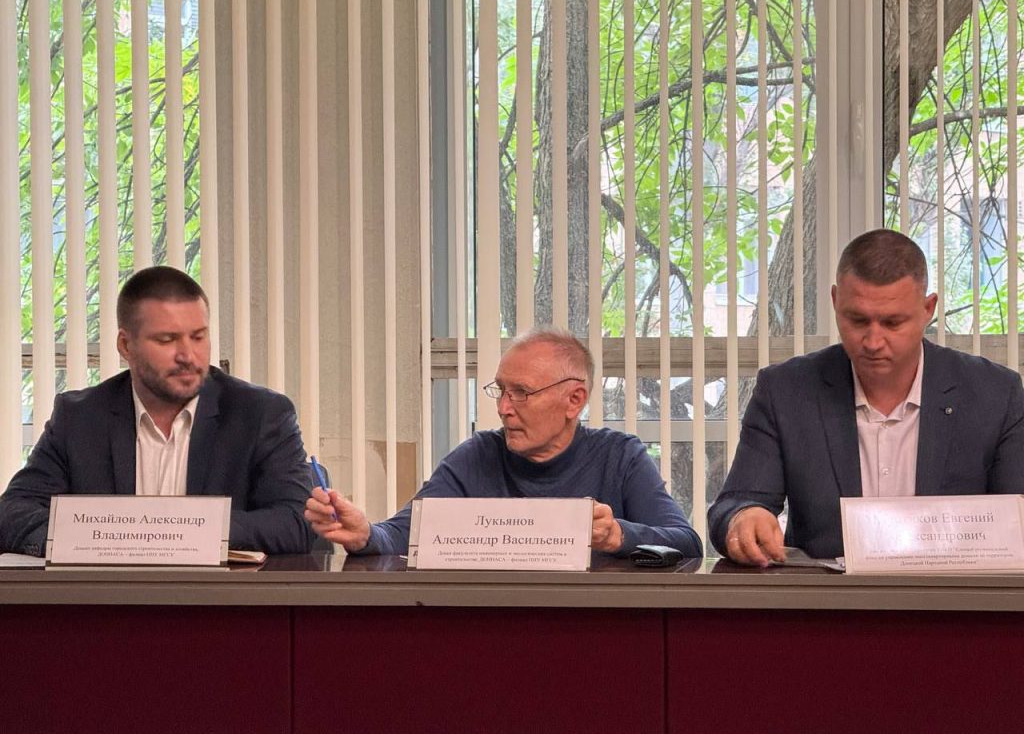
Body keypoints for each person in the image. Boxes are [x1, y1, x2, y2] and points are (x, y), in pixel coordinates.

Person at [709, 229, 1024, 565]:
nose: (873, 342)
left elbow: (1017, 521)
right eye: (857, 320)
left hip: (953, 595)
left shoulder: (994, 394)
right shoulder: (786, 391)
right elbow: (733, 504)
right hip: (827, 595)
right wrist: (745, 517)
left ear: (928, 308)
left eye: (892, 323)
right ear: (835, 301)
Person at [306, 327, 703, 558]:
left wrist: (619, 536)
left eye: (522, 393)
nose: (504, 408)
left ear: (574, 400)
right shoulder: (478, 455)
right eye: (501, 390)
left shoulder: (620, 456)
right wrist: (364, 534)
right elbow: (405, 534)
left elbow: (687, 543)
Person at [0, 266, 314, 556]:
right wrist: (97, 535)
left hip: (221, 597)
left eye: (198, 337)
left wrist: (179, 530)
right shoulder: (80, 417)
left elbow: (295, 520)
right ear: (126, 345)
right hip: (108, 596)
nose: (188, 355)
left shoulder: (261, 414)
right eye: (167, 340)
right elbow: (13, 512)